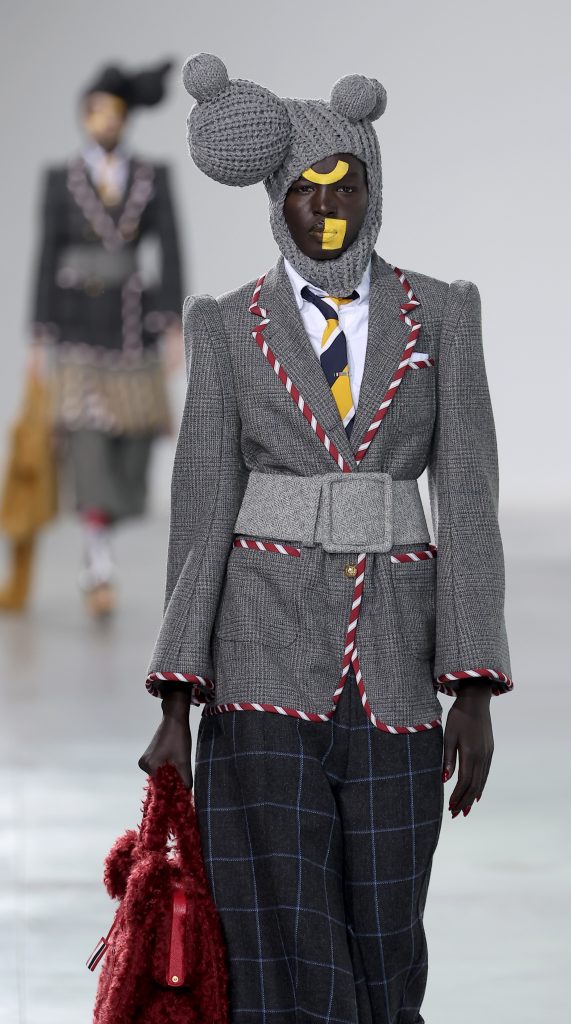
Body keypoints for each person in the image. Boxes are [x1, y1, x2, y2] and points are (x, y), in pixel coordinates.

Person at [139, 52, 514, 1024]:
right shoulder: (227, 327)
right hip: (259, 660)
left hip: (395, 670)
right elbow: (201, 508)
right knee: (280, 940)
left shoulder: (442, 315)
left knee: (387, 944)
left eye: (346, 182)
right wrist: (177, 697)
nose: (328, 205)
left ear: (373, 185)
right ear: (276, 199)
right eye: (306, 189)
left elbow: (467, 495)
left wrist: (472, 681)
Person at [25, 59, 184, 617]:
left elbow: (171, 250)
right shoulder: (61, 180)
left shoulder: (151, 177)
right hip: (76, 329)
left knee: (132, 449)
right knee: (87, 444)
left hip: (131, 326)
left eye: (113, 111)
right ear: (83, 116)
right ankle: (98, 560)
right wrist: (39, 337)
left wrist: (173, 325)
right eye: (95, 111)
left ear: (126, 116)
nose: (105, 120)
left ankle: (104, 531)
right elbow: (46, 256)